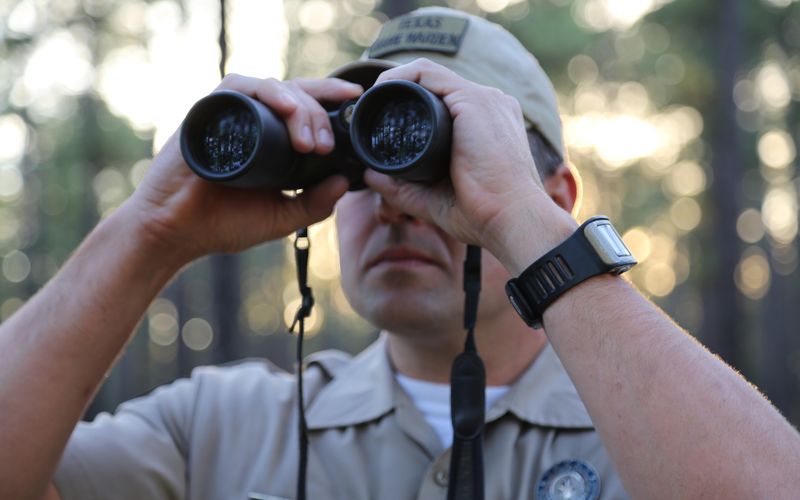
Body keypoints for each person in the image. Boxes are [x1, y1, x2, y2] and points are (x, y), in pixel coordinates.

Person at [1, 6, 798, 500]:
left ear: (556, 196)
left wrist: (519, 222)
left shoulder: (655, 420)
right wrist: (149, 232)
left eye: (435, 162)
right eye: (359, 163)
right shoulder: (218, 426)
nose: (390, 198)